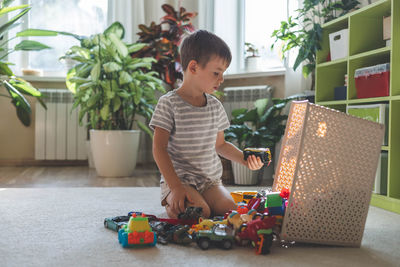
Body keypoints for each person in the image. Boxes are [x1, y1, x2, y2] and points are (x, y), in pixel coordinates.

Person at [149, 30, 264, 219]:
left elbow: (220, 145)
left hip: (210, 182)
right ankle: (172, 202)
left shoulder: (215, 106)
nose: (222, 79)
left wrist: (244, 159)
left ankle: (196, 199)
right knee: (200, 214)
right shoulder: (168, 103)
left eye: (223, 73)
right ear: (193, 67)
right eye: (216, 73)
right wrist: (176, 187)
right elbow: (159, 148)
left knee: (231, 211)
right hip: (181, 180)